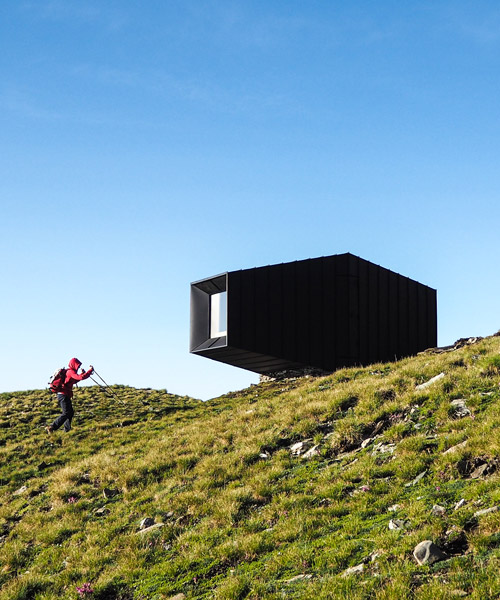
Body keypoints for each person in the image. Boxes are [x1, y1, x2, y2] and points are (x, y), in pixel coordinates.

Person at [46, 358, 93, 433]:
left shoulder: (69, 372)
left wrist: (82, 374)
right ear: (74, 365)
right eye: (77, 365)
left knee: (70, 412)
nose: (78, 367)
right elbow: (80, 378)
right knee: (66, 413)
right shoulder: (70, 371)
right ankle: (52, 427)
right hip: (63, 395)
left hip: (64, 395)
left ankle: (67, 430)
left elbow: (74, 380)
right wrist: (89, 371)